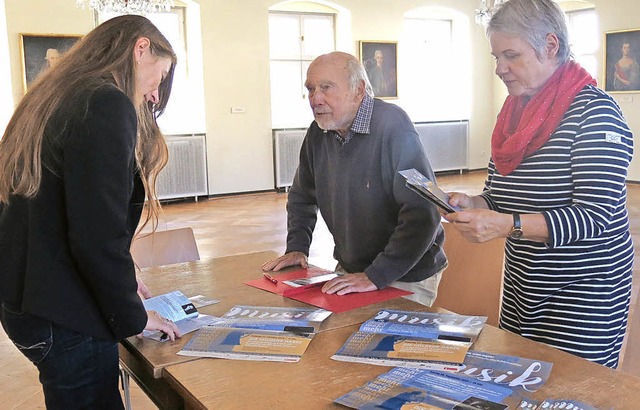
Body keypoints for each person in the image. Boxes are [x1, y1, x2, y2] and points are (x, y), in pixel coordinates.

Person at [0, 15, 181, 409]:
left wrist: (123, 273)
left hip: (27, 302)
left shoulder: (57, 94)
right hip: (65, 313)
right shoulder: (105, 101)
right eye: (160, 76)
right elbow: (95, 237)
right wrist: (134, 315)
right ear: (141, 48)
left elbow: (71, 211)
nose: (155, 94)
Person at [443, 0, 634, 368]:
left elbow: (594, 217)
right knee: (518, 384)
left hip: (582, 295)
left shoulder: (596, 113)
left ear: (551, 46)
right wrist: (473, 204)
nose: (500, 69)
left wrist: (508, 225)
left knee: (566, 391)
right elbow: (500, 194)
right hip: (522, 287)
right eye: (496, 57)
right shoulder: (514, 114)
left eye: (511, 55)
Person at [262, 51, 447, 307]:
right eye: (311, 89)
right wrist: (297, 247)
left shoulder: (393, 125)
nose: (316, 99)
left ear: (358, 90)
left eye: (326, 87)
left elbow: (423, 212)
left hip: (405, 272)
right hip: (352, 269)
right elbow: (302, 196)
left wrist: (376, 275)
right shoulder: (319, 132)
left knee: (381, 345)